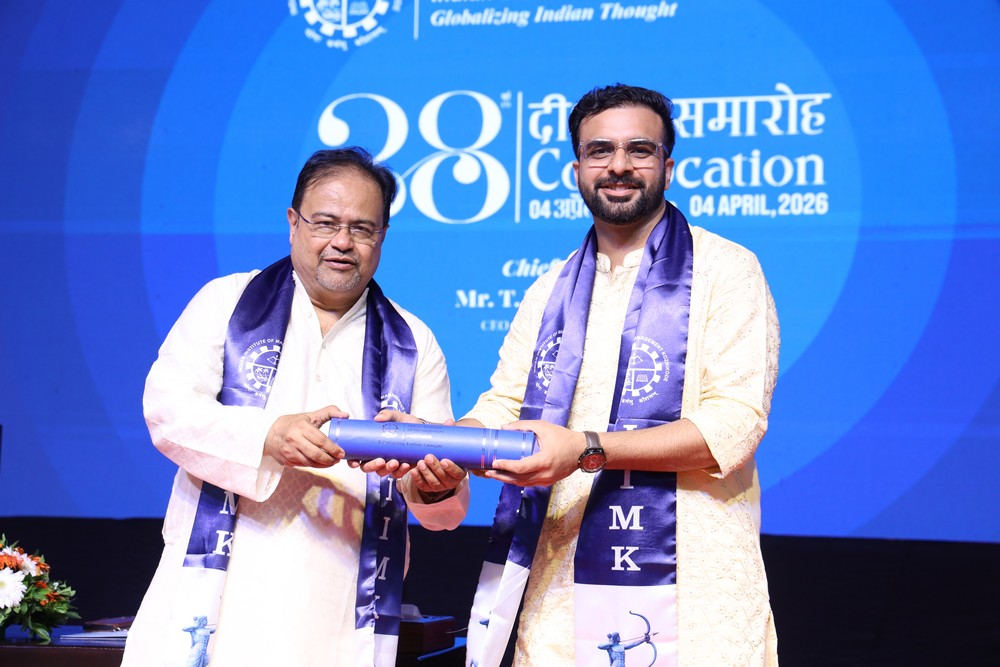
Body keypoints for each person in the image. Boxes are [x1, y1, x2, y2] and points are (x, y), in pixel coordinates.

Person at [461, 84, 780, 666]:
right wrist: (435, 446)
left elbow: (734, 426)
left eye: (639, 149)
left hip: (695, 600)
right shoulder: (548, 290)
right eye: (600, 150)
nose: (619, 166)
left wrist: (587, 449)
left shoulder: (728, 270)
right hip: (560, 595)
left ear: (668, 167)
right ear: (577, 170)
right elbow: (503, 406)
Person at [122, 147, 469, 667]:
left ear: (382, 237)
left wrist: (435, 482)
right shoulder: (227, 302)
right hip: (222, 586)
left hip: (341, 600)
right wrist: (270, 435)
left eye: (362, 228)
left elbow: (441, 508)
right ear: (293, 222)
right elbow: (166, 410)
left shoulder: (413, 343)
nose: (342, 242)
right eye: (325, 223)